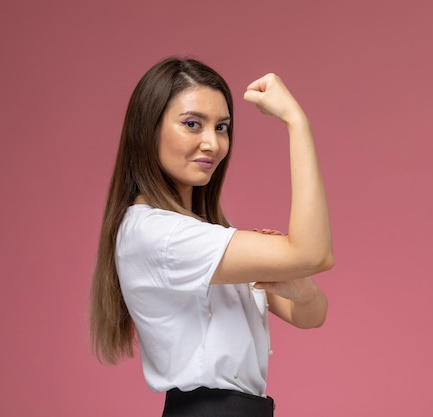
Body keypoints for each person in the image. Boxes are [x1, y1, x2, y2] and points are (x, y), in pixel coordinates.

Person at [90, 57, 334, 417]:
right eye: (192, 124)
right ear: (148, 130)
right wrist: (297, 123)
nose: (212, 143)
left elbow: (310, 315)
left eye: (221, 127)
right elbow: (314, 253)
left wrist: (302, 287)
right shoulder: (160, 235)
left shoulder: (203, 235)